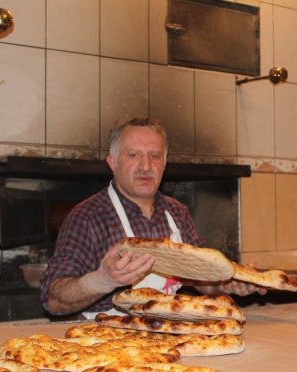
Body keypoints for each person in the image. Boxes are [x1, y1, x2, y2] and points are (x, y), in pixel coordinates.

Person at [41, 115, 262, 316]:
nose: (146, 166)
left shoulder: (176, 213)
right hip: (108, 344)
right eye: (133, 155)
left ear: (164, 164)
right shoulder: (87, 217)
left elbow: (203, 280)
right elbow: (54, 301)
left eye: (154, 156)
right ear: (113, 163)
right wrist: (102, 279)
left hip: (168, 335)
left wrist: (228, 283)